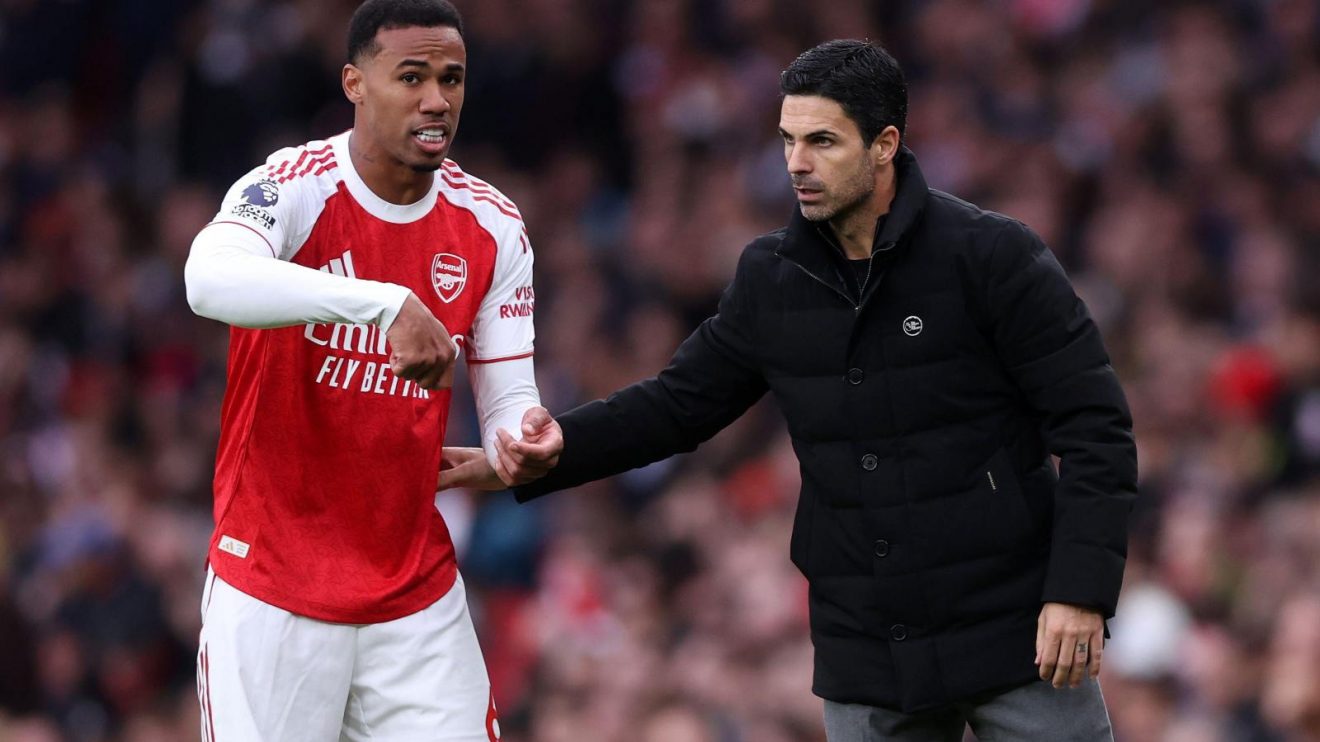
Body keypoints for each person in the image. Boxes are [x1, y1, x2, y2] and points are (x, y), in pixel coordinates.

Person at [444, 39, 1136, 741]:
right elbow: (681, 404)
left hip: (1018, 633)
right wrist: (560, 447)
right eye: (787, 140)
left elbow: (1095, 428)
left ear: (884, 145)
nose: (796, 163)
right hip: (869, 649)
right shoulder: (771, 277)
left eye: (823, 141)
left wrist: (1078, 593)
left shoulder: (992, 255)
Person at [183, 1, 561, 739]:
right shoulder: (294, 184)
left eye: (451, 79)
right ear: (355, 83)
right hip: (271, 587)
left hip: (413, 593)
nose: (436, 99)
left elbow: (511, 400)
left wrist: (523, 442)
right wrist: (381, 304)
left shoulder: (491, 224)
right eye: (411, 76)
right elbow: (207, 279)